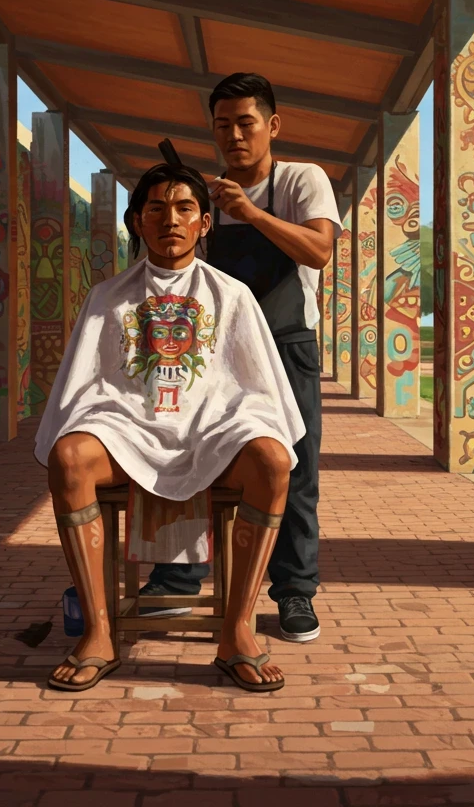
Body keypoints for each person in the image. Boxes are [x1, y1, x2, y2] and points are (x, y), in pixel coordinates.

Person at [35, 163, 306, 692]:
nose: (171, 220)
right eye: (156, 208)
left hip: (212, 433)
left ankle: (238, 633)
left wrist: (217, 418)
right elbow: (89, 384)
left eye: (185, 208)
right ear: (136, 221)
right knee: (69, 457)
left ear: (206, 223)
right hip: (127, 431)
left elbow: (253, 387)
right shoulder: (106, 297)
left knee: (272, 461)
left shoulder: (233, 295)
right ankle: (98, 631)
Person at [142, 73, 339, 643]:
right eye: (222, 124)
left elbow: (320, 251)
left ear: (272, 125)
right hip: (216, 352)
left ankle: (295, 593)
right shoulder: (206, 197)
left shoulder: (302, 180)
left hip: (286, 344)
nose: (233, 134)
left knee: (294, 468)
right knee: (185, 457)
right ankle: (178, 579)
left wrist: (251, 215)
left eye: (245, 122)